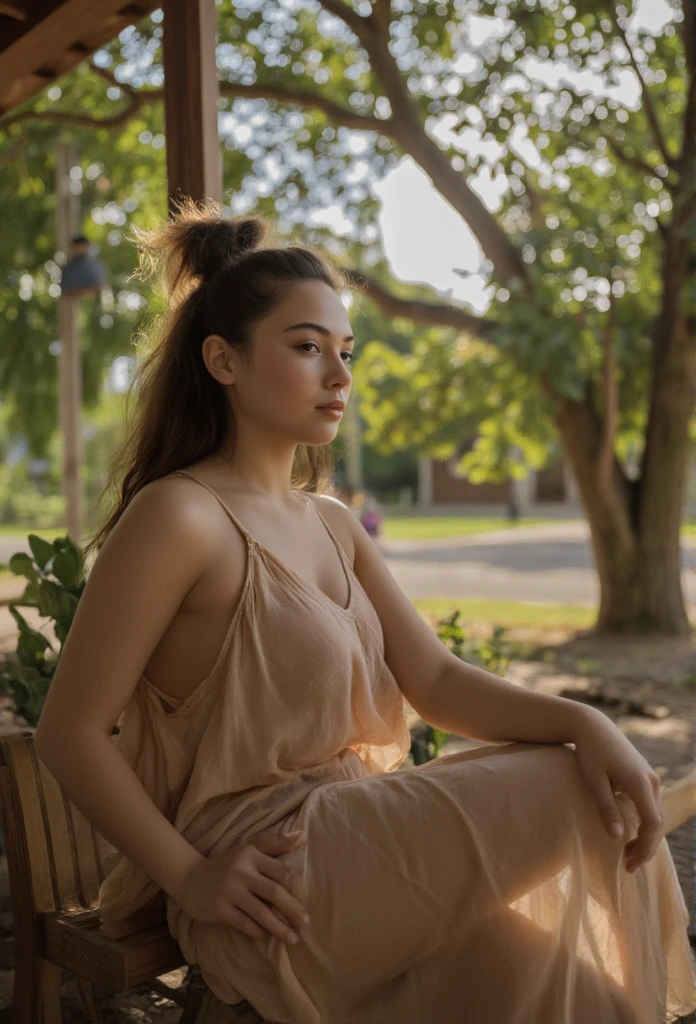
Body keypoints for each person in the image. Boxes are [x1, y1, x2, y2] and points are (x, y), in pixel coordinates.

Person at [34, 200, 695, 1024]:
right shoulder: (182, 517)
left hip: (370, 847)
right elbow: (69, 730)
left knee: (596, 1006)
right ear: (223, 360)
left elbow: (438, 680)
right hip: (274, 878)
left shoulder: (335, 524)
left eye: (345, 351)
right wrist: (194, 877)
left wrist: (584, 719)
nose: (339, 375)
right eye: (308, 348)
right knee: (571, 784)